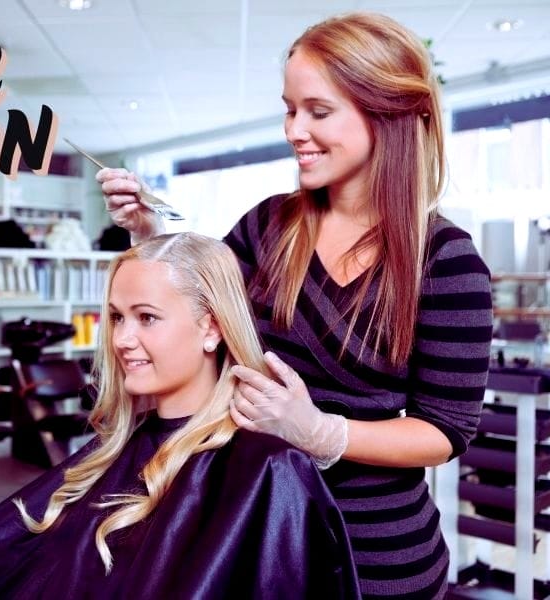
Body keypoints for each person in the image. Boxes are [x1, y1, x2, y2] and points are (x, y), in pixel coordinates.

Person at [98, 12, 493, 599]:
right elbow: (199, 313)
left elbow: (446, 430)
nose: (293, 129)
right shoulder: (267, 227)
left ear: (385, 113)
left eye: (318, 110)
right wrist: (150, 235)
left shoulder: (446, 262)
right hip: (254, 540)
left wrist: (323, 433)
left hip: (378, 561)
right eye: (289, 108)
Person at [0, 232, 361, 599]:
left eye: (146, 317)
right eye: (118, 317)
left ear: (211, 329)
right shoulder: (115, 452)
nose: (122, 339)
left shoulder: (267, 470)